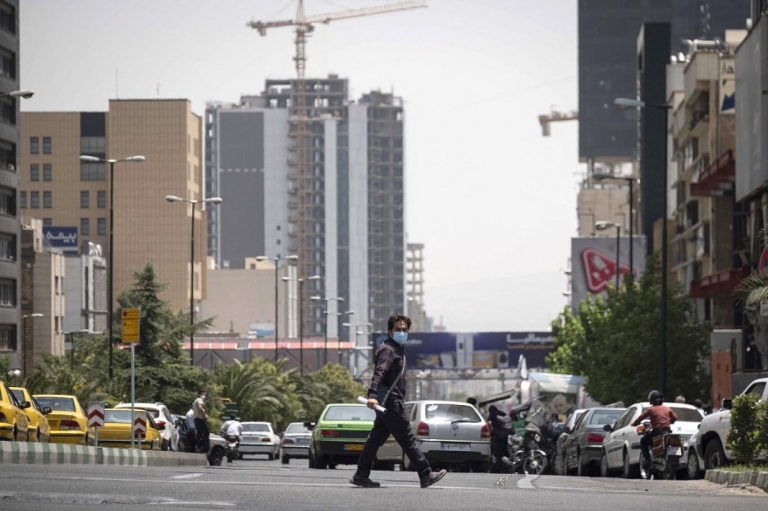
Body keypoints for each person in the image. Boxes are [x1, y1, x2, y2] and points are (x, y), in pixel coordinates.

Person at [350, 313, 447, 489]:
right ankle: (426, 474)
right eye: (398, 329)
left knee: (375, 440)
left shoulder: (397, 349)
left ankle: (361, 475)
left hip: (388, 402)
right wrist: (372, 394)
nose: (402, 332)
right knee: (407, 439)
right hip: (391, 402)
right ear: (389, 331)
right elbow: (379, 372)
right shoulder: (388, 349)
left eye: (405, 330)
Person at [632, 390, 678, 468]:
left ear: (652, 400)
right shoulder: (667, 409)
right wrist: (671, 421)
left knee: (643, 441)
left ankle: (647, 459)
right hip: (668, 431)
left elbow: (641, 417)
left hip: (657, 432)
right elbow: (675, 418)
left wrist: (635, 423)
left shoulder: (651, 409)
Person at [487, 405, 510, 471]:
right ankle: (507, 465)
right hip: (505, 435)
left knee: (497, 452)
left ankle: (500, 467)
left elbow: (489, 423)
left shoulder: (492, 414)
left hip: (497, 436)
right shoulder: (502, 413)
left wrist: (490, 432)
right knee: (504, 450)